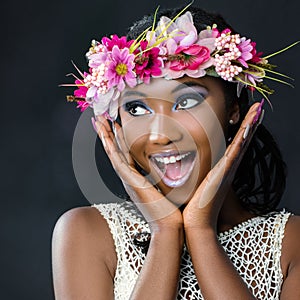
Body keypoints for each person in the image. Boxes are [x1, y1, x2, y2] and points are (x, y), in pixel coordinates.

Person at [52, 4, 300, 299]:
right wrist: (165, 232)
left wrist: (201, 231)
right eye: (136, 107)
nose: (159, 135)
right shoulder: (86, 234)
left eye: (186, 102)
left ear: (234, 109)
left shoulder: (291, 243)